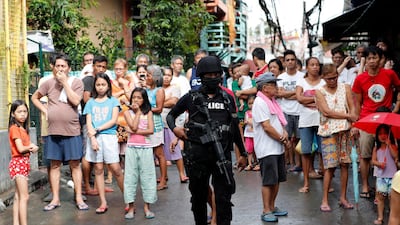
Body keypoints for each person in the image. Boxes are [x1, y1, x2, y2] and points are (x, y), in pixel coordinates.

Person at [166, 56, 247, 225]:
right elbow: (171, 115)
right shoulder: (191, 97)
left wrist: (243, 153)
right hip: (197, 157)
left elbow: (234, 128)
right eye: (208, 75)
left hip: (222, 156)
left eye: (216, 74)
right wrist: (176, 129)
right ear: (201, 76)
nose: (213, 78)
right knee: (198, 199)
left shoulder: (227, 98)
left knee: (224, 200)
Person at [31, 53, 87, 211]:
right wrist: (45, 110)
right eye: (57, 66)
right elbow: (35, 97)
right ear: (53, 68)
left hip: (72, 131)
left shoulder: (76, 82)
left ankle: (78, 198)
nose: (60, 69)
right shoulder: (48, 83)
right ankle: (55, 199)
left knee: (75, 164)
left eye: (63, 66)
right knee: (54, 165)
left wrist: (65, 83)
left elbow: (76, 101)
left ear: (69, 68)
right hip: (53, 131)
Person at [352, 46, 400, 198]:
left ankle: (393, 187)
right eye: (369, 58)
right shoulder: (360, 78)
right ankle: (366, 186)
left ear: (381, 59)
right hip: (367, 121)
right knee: (365, 156)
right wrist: (356, 124)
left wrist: (396, 109)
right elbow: (357, 103)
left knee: (392, 154)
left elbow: (399, 89)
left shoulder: (390, 74)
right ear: (364, 60)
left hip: (386, 121)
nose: (372, 61)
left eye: (375, 58)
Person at [315, 64, 358, 212]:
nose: (333, 80)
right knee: (330, 166)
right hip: (328, 132)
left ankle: (343, 198)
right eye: (329, 79)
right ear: (323, 78)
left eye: (335, 77)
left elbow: (351, 106)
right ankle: (325, 200)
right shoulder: (319, 91)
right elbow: (326, 112)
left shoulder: (345, 87)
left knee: (345, 164)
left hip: (344, 130)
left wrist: (353, 124)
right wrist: (349, 116)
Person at [83, 73, 125, 214]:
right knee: (98, 169)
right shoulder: (90, 103)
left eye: (103, 84)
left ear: (108, 86)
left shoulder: (113, 101)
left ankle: (128, 199)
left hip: (108, 137)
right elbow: (88, 122)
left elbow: (113, 120)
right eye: (98, 84)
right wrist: (93, 138)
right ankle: (103, 202)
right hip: (94, 138)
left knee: (116, 168)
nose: (100, 87)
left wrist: (97, 129)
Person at [252, 72, 289, 223]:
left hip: (276, 147)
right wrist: (282, 138)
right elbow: (266, 126)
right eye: (274, 85)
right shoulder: (260, 102)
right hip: (267, 149)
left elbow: (278, 121)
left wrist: (284, 133)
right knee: (268, 180)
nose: (277, 87)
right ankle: (266, 209)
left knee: (277, 179)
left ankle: (272, 207)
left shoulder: (271, 101)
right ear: (265, 87)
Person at [81, 55, 112, 196]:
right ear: (93, 66)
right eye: (98, 66)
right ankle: (86, 186)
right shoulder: (88, 80)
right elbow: (86, 98)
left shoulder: (104, 80)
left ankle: (99, 184)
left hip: (103, 123)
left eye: (103, 67)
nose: (101, 69)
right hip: (90, 122)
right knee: (88, 155)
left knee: (100, 155)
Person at [123, 87, 157, 220]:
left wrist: (133, 132)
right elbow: (133, 126)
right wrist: (136, 113)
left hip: (146, 148)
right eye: (134, 97)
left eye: (139, 98)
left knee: (147, 177)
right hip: (131, 148)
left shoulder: (148, 112)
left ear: (144, 100)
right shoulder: (127, 113)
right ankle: (130, 207)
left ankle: (147, 207)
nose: (136, 100)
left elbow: (150, 130)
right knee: (130, 178)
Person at [296, 57, 325, 193]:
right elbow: (299, 98)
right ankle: (306, 183)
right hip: (305, 121)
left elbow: (326, 101)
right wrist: (316, 100)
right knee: (306, 152)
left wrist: (308, 101)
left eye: (317, 65)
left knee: (323, 152)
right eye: (312, 65)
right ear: (306, 67)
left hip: (322, 121)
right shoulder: (301, 81)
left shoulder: (324, 82)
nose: (315, 67)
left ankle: (327, 183)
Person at [8, 100, 39, 225]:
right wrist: (32, 146)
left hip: (21, 163)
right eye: (19, 112)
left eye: (25, 111)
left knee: (18, 196)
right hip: (19, 163)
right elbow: (20, 148)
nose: (22, 114)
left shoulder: (21, 129)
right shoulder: (15, 129)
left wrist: (30, 148)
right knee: (24, 197)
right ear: (13, 114)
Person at [276, 50, 304, 172]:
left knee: (298, 140)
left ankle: (298, 165)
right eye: (287, 60)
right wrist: (296, 93)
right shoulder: (281, 77)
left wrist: (287, 94)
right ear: (284, 62)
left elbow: (302, 93)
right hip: (285, 112)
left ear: (296, 61)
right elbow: (280, 93)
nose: (290, 62)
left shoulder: (302, 76)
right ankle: (283, 164)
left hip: (300, 111)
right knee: (284, 139)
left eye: (292, 59)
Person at [161, 66, 189, 183]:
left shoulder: (175, 88)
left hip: (171, 124)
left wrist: (159, 103)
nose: (166, 77)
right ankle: (164, 176)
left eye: (169, 75)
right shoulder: (158, 89)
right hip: (159, 123)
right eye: (165, 75)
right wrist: (164, 102)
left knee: (175, 150)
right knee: (161, 152)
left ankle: (182, 174)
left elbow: (173, 102)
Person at [144, 64, 167, 190]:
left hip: (156, 124)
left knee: (159, 153)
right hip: (147, 124)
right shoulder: (147, 90)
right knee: (150, 154)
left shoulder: (159, 91)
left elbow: (159, 109)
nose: (146, 77)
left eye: (148, 75)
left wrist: (145, 109)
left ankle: (163, 180)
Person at [111, 58, 135, 177]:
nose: (118, 71)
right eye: (116, 69)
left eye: (121, 69)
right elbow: (110, 98)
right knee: (114, 148)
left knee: (126, 149)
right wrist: (121, 93)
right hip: (115, 119)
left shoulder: (129, 82)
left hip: (127, 119)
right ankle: (114, 173)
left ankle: (128, 172)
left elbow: (132, 98)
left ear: (125, 69)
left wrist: (125, 85)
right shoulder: (110, 82)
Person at [371, 124, 398, 225]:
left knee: (393, 198)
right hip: (381, 177)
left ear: (389, 135)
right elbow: (373, 161)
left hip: (392, 177)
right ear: (377, 135)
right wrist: (379, 163)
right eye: (380, 133)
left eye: (385, 133)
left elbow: (395, 155)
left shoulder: (393, 146)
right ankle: (380, 217)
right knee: (380, 198)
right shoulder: (376, 148)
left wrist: (389, 145)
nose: (383, 136)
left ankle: (393, 216)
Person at [243, 95, 256, 171]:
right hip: (248, 134)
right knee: (249, 149)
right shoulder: (247, 113)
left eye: (253, 103)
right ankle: (250, 163)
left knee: (257, 149)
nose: (251, 105)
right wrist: (246, 122)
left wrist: (250, 122)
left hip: (255, 134)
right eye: (249, 103)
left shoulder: (258, 112)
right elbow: (245, 121)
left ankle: (257, 162)